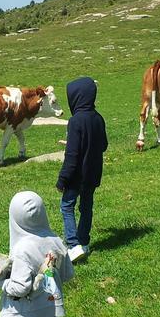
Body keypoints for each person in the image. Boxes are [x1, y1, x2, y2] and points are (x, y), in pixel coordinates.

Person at [56, 76, 108, 261]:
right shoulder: (98, 119)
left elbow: (72, 155)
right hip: (93, 173)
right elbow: (103, 145)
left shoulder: (76, 121)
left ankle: (72, 244)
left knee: (66, 206)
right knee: (86, 206)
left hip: (76, 175)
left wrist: (63, 178)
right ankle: (84, 242)